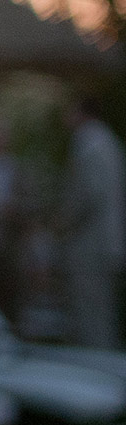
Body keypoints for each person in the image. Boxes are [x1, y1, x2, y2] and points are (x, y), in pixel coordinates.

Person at [60, 95, 126, 349]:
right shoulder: (108, 142)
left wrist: (64, 222)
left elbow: (88, 194)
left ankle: (94, 366)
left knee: (90, 312)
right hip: (106, 241)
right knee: (102, 310)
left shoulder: (89, 143)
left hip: (91, 244)